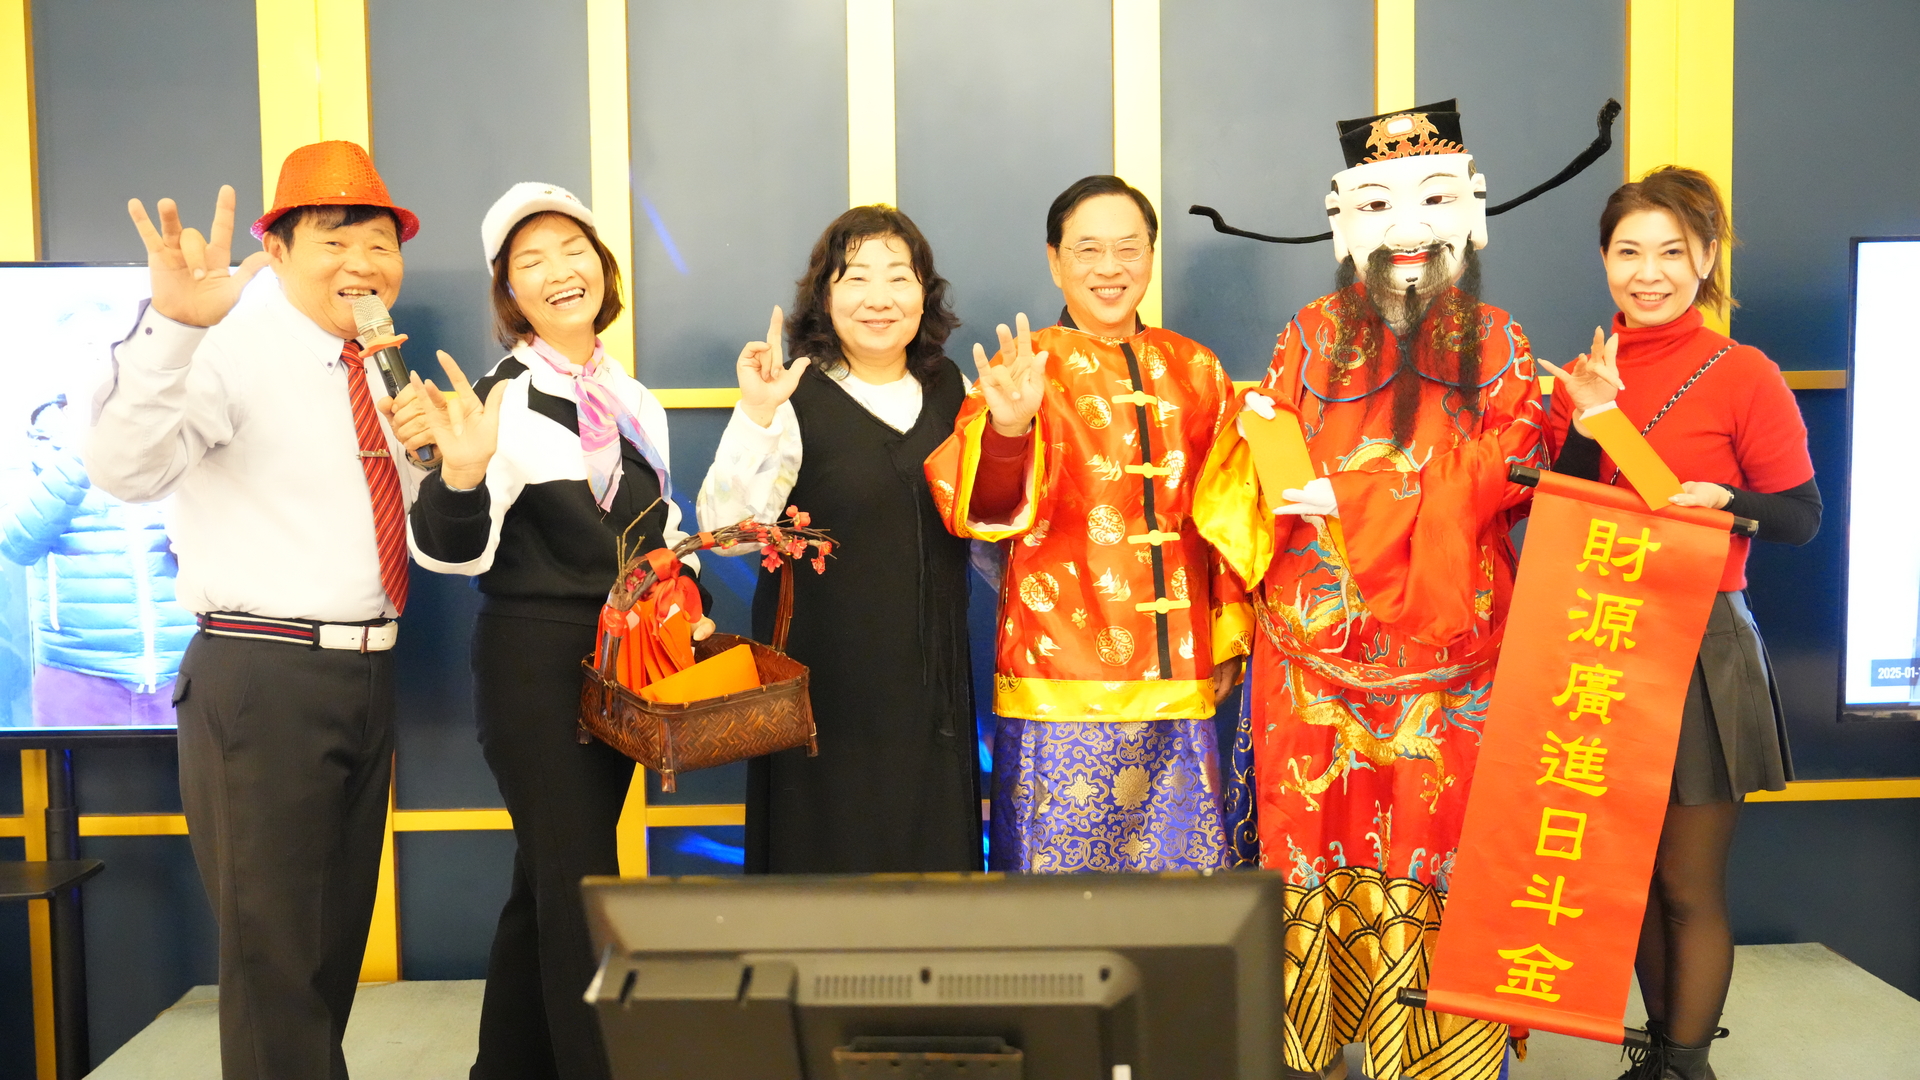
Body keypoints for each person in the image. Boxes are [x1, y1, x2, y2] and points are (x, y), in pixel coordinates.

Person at [1193, 101, 1544, 1080]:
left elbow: (1513, 470)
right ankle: (1314, 1045)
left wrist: (1352, 495)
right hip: (1312, 668)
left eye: (1434, 199)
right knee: (1311, 851)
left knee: (1442, 855)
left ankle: (1448, 1055)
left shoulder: (1501, 344)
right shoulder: (1305, 338)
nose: (1409, 228)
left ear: (1473, 212)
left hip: (1449, 667)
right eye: (1380, 205)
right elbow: (1260, 481)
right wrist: (1250, 445)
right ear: (1342, 221)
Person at [82, 141, 420, 1080]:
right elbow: (124, 469)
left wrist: (452, 462)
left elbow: (421, 523)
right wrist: (173, 328)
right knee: (275, 961)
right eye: (335, 239)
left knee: (328, 951)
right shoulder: (227, 346)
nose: (362, 263)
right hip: (260, 675)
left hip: (367, 672)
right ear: (275, 251)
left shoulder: (381, 365)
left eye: (380, 243)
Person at [391, 182, 708, 1080]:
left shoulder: (633, 398)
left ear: (603, 268)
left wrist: (686, 597)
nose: (559, 271)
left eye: (574, 250)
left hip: (625, 663)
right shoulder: (496, 399)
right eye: (530, 262)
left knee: (545, 885)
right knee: (578, 887)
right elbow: (452, 553)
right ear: (510, 294)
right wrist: (459, 474)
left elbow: (658, 530)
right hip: (535, 665)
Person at [1539, 166, 1818, 1080]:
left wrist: (1728, 503)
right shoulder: (1583, 378)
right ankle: (1655, 1058)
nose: (1648, 272)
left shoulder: (1745, 373)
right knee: (1624, 880)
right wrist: (1589, 418)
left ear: (1706, 259)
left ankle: (1687, 1066)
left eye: (1671, 251)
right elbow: (1559, 513)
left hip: (1702, 646)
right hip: (1602, 645)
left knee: (1686, 883)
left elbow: (1801, 516)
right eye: (1629, 252)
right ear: (1604, 260)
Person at [925, 175, 1249, 874]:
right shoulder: (1021, 369)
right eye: (1088, 249)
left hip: (1178, 674)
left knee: (1183, 890)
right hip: (1055, 671)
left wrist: (1228, 631)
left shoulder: (1198, 370)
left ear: (1151, 255)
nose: (1110, 268)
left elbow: (1227, 511)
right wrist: (1009, 429)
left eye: (1129, 248)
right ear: (1054, 260)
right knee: (1052, 891)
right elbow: (983, 514)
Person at [697, 204, 981, 873]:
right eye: (855, 277)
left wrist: (1014, 431)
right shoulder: (792, 394)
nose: (879, 298)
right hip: (822, 685)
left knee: (931, 866)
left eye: (899, 277)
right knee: (825, 866)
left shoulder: (953, 390)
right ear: (824, 297)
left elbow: (989, 528)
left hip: (931, 684)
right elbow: (725, 535)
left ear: (924, 294)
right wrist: (757, 412)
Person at [0, 394, 196, 726]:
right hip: (76, 677)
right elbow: (16, 543)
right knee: (66, 764)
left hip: (184, 672)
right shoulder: (40, 450)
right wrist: (87, 448)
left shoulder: (182, 438)